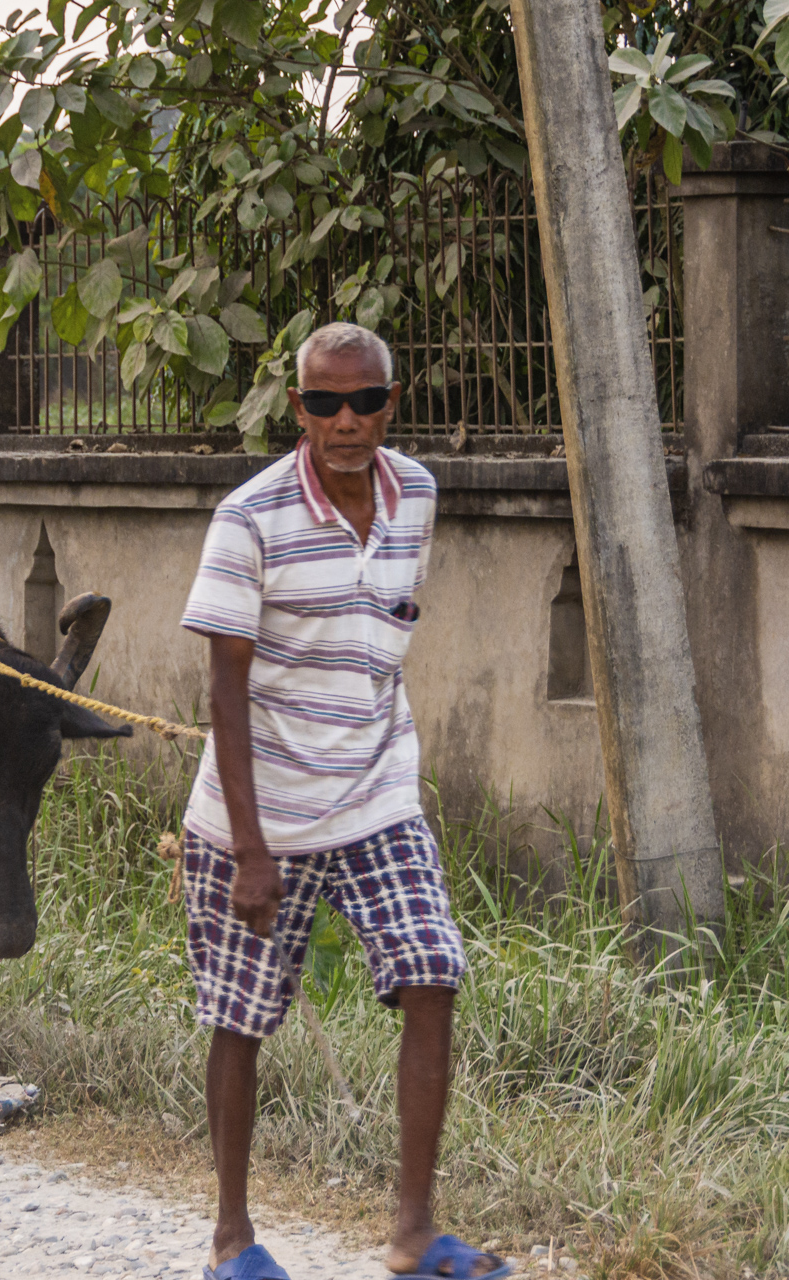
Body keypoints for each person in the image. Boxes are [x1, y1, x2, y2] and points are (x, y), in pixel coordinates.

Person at [179, 322, 504, 1280]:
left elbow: (386, 631)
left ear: (390, 404)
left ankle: (413, 1231)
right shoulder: (250, 516)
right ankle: (232, 1238)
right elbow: (224, 691)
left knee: (433, 968)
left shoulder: (419, 497)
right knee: (241, 1016)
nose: (346, 421)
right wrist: (248, 849)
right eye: (324, 403)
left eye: (364, 401)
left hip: (376, 790)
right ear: (299, 412)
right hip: (260, 810)